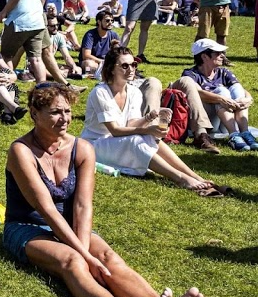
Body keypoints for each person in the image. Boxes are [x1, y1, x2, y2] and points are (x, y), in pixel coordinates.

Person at [4, 83, 207, 297]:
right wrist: (84, 253)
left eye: (67, 111)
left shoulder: (82, 148)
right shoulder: (21, 151)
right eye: (55, 112)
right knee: (73, 261)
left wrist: (87, 246)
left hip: (72, 222)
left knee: (108, 257)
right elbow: (46, 209)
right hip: (28, 228)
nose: (64, 119)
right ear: (34, 113)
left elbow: (82, 205)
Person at [82, 47, 223, 194]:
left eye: (134, 65)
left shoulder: (134, 92)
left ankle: (195, 176)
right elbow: (115, 130)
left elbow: (131, 124)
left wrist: (151, 117)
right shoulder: (100, 92)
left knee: (150, 137)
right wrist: (147, 128)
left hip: (117, 141)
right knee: (136, 140)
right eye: (125, 66)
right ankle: (180, 178)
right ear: (111, 69)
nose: (131, 69)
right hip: (95, 145)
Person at [180, 39, 257, 151]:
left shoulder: (223, 72)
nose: (222, 56)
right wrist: (221, 99)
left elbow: (240, 89)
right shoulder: (190, 74)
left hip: (225, 119)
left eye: (222, 53)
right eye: (217, 53)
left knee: (236, 88)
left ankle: (244, 132)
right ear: (204, 56)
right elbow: (198, 93)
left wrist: (248, 98)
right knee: (222, 91)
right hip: (209, 122)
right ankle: (233, 135)